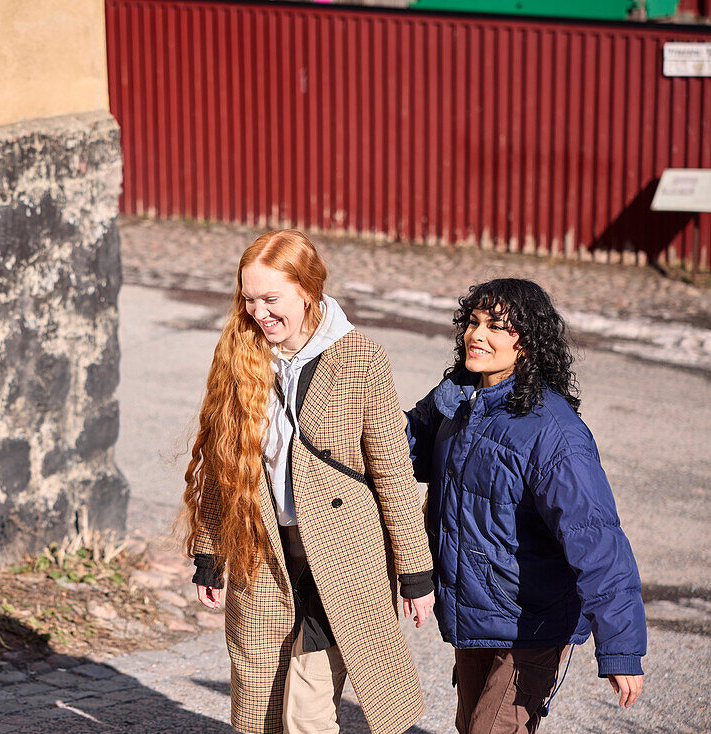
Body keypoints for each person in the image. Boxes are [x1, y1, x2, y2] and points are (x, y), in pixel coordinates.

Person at [179, 230, 435, 734]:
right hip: (263, 552)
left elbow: (392, 471)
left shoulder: (360, 357)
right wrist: (209, 554)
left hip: (343, 557)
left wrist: (415, 571)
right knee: (261, 704)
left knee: (307, 714)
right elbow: (221, 463)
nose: (258, 312)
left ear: (307, 290)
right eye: (249, 299)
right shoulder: (240, 355)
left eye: (271, 299)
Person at [404, 278, 647, 734]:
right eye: (473, 323)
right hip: (474, 609)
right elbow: (397, 456)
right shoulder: (459, 400)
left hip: (530, 623)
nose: (477, 335)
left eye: (497, 327)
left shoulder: (554, 432)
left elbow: (596, 538)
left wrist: (620, 647)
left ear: (528, 345)